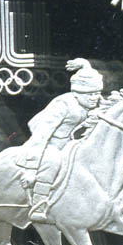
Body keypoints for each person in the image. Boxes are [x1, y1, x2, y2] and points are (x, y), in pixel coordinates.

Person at [17, 58, 103, 222]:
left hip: (73, 147)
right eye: (89, 94)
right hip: (51, 146)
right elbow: (41, 135)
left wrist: (86, 66)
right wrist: (31, 169)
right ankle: (39, 204)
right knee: (53, 159)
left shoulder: (95, 104)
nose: (94, 98)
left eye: (97, 93)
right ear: (76, 93)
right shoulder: (63, 105)